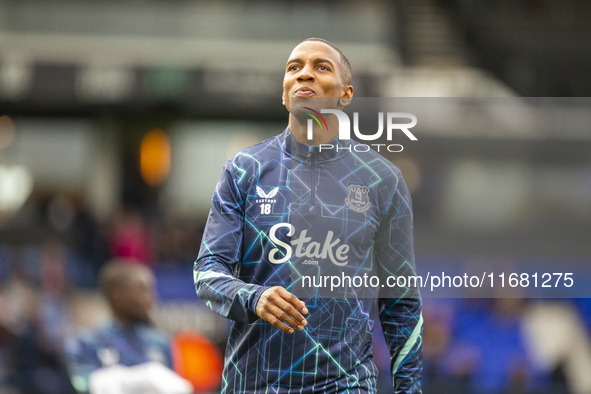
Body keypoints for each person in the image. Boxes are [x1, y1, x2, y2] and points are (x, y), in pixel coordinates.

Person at [194, 37, 422, 393]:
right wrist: (254, 297)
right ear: (284, 94)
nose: (304, 75)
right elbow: (207, 274)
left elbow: (401, 300)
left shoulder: (382, 179)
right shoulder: (245, 170)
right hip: (255, 384)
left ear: (345, 95)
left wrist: (410, 389)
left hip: (346, 385)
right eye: (294, 68)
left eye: (321, 67)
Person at [65, 259, 191, 394]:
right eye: (142, 290)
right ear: (117, 294)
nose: (151, 297)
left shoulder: (161, 343)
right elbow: (81, 384)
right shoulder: (87, 343)